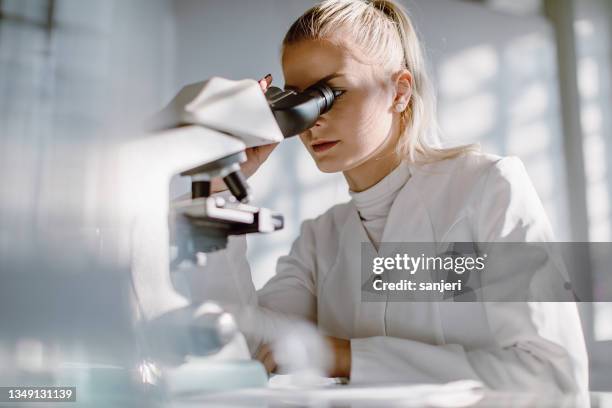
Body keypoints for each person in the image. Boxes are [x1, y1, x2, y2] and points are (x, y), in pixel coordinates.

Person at [201, 0, 588, 394]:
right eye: (297, 99)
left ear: (399, 91)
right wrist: (219, 195)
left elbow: (552, 379)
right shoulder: (321, 238)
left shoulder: (488, 189)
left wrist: (348, 356)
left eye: (330, 92)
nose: (313, 119)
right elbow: (246, 347)